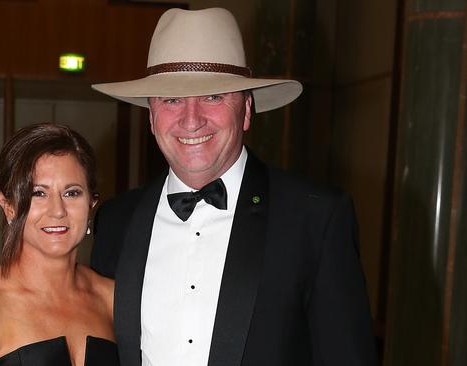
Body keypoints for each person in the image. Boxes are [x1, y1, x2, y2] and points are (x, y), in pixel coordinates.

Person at [90, 7, 378, 366]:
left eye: (213, 96)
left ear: (246, 110)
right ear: (151, 116)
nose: (191, 120)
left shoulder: (316, 219)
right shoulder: (116, 221)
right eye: (172, 99)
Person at [0, 123, 119, 366]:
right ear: (9, 206)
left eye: (71, 193)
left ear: (91, 203)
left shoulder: (112, 299)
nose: (57, 211)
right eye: (38, 193)